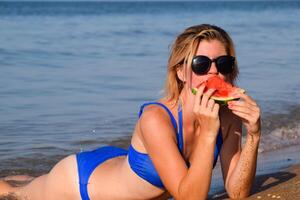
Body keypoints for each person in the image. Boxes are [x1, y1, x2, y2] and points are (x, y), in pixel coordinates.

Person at [0, 24, 261, 200]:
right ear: (181, 72)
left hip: (118, 163)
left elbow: (238, 193)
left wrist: (255, 135)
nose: (214, 72)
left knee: (27, 180)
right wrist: (208, 135)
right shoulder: (156, 119)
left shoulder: (228, 116)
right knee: (15, 193)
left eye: (223, 63)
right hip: (79, 185)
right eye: (201, 64)